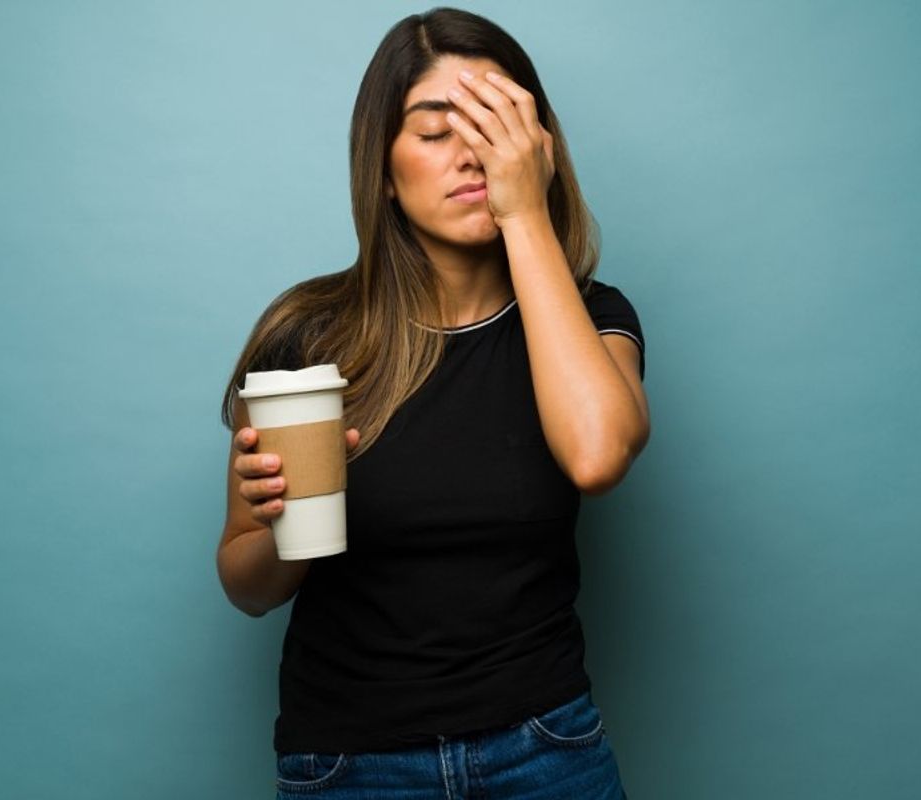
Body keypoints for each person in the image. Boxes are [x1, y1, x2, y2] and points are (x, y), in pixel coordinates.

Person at [217, 7, 649, 798]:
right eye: (436, 130)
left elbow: (598, 456)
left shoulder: (594, 318)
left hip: (546, 750)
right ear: (383, 169)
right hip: (350, 766)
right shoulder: (308, 335)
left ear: (537, 148)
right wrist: (283, 520)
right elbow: (247, 587)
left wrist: (523, 213)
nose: (472, 154)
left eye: (495, 125)